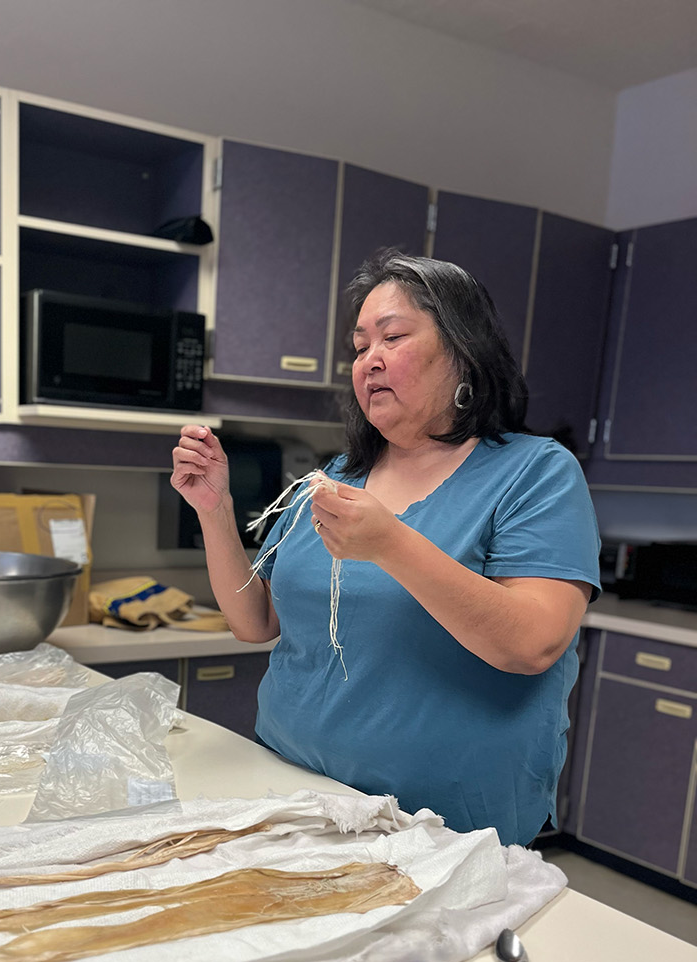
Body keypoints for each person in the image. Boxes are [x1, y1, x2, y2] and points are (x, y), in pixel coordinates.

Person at [171, 249, 601, 846]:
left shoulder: (536, 474)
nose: (369, 360)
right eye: (359, 345)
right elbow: (254, 619)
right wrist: (214, 510)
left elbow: (532, 643)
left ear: (463, 351)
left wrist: (391, 543)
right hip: (292, 796)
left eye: (392, 336)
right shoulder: (337, 477)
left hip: (441, 829)